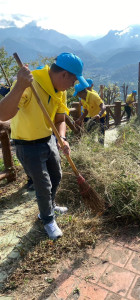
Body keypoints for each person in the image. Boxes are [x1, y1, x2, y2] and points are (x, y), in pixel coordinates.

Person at [0, 52, 88, 240]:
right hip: (28, 144)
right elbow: (3, 114)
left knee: (56, 176)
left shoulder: (61, 91)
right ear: (64, 74)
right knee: (43, 184)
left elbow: (60, 118)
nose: (73, 85)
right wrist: (19, 86)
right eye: (73, 80)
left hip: (48, 140)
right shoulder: (30, 84)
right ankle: (47, 220)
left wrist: (62, 138)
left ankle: (49, 206)